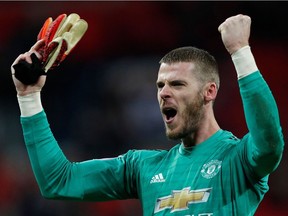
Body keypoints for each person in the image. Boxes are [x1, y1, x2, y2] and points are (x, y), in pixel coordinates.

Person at [11, 14, 284, 216]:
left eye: (177, 84)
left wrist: (241, 53)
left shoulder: (238, 159)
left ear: (209, 92)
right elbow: (58, 182)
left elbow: (269, 141)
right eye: (160, 85)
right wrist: (29, 96)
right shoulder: (143, 167)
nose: (164, 93)